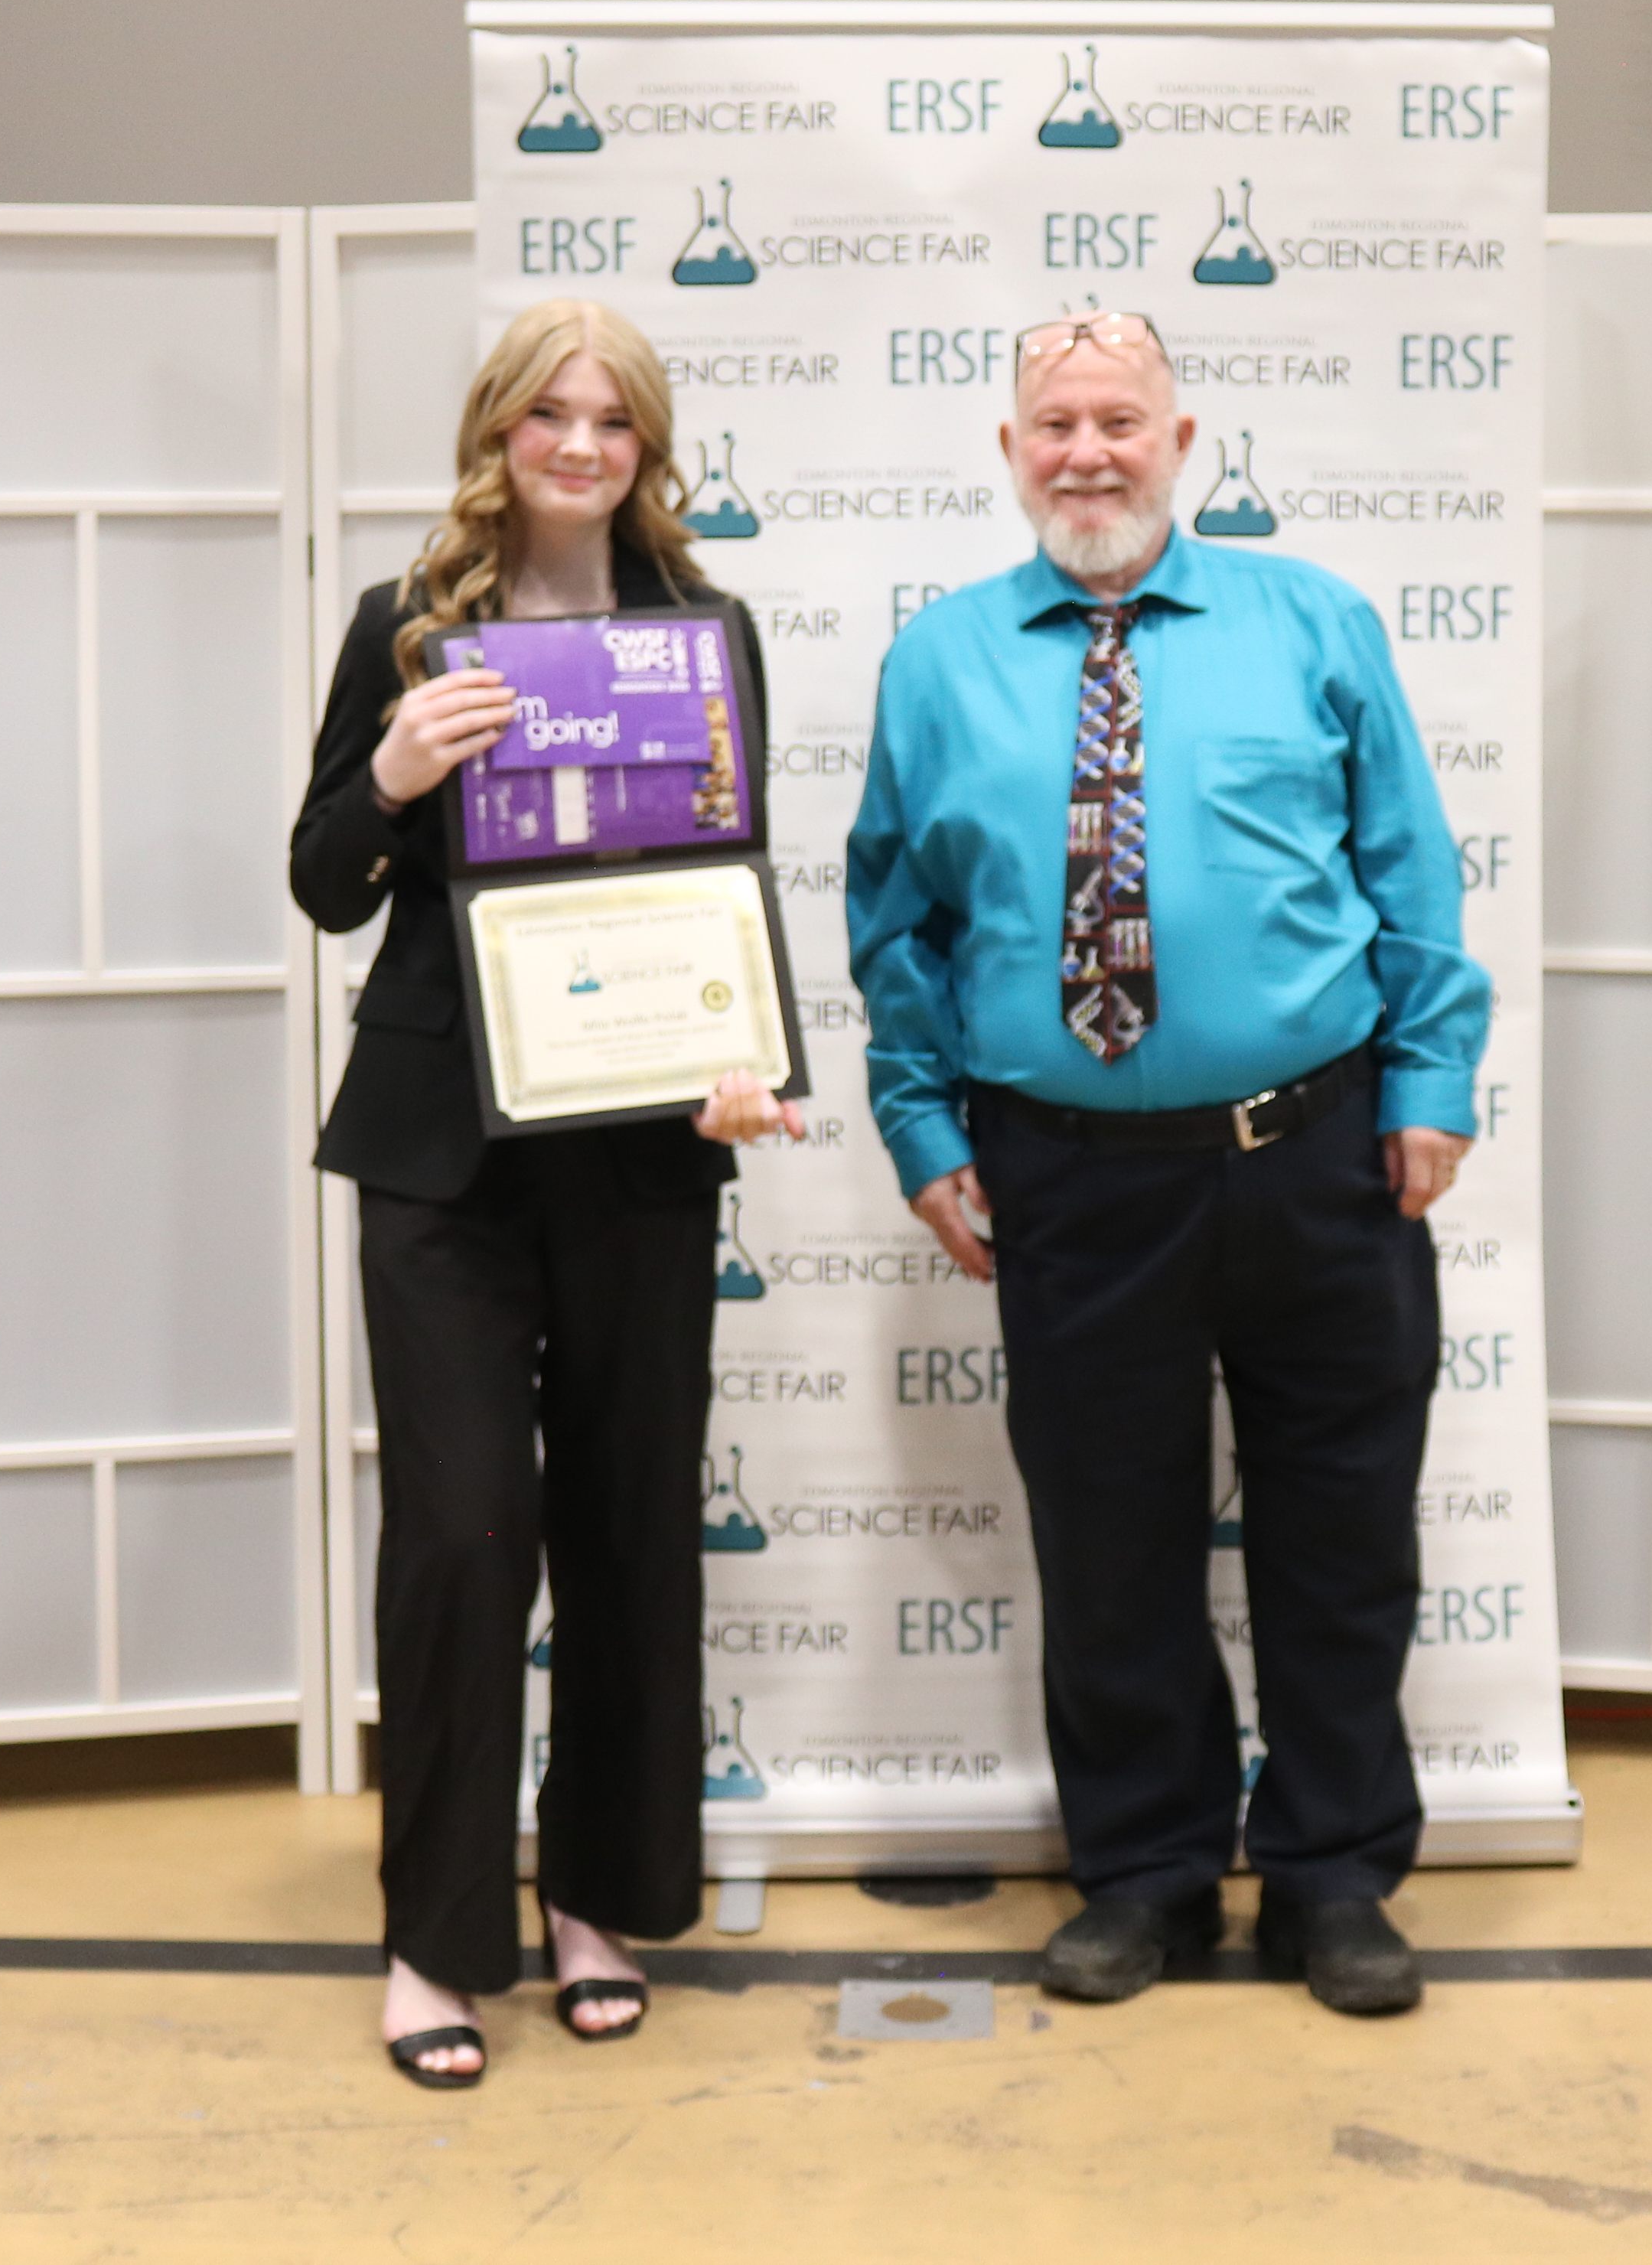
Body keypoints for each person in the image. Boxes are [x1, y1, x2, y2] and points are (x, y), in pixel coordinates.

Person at [846, 312, 1489, 2017]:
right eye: (1054, 425)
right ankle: (1146, 1872)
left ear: (1180, 441)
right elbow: (894, 920)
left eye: (1119, 421)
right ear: (1008, 453)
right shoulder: (939, 661)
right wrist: (921, 1123)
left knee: (1341, 1530)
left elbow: (1411, 866)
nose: (1088, 454)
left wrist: (1432, 1076)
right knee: (1108, 1545)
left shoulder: (1314, 621)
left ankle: (1334, 1873)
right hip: (1067, 1179)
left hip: (1320, 1158)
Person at [292, 298, 800, 2088]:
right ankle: (436, 1936)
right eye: (547, 415)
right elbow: (324, 881)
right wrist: (391, 771)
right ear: (496, 430)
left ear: (647, 446)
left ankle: (599, 1893)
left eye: (612, 419)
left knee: (632, 1521)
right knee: (458, 1536)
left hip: (643, 1137)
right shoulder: (404, 624)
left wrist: (747, 1059)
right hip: (441, 1149)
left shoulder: (706, 628)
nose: (579, 445)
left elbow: (728, 864)